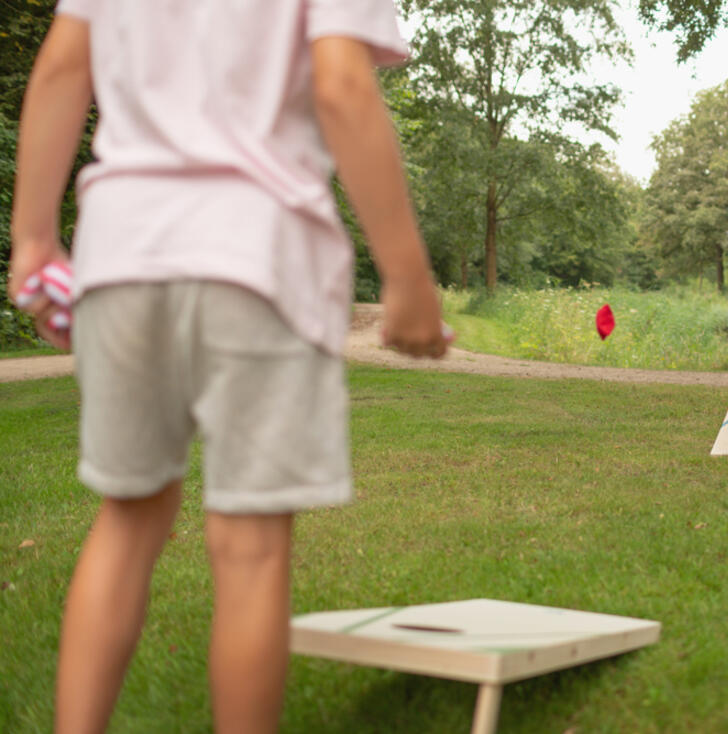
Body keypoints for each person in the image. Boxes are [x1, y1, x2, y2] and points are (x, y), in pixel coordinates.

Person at [7, 2, 450, 732]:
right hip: (258, 254)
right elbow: (341, 85)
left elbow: (61, 65)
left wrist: (31, 240)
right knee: (248, 549)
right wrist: (406, 277)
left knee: (126, 518)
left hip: (124, 251)